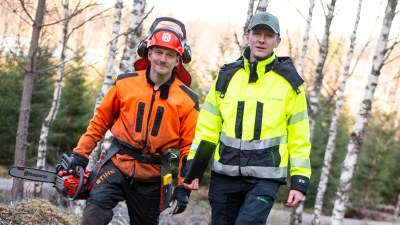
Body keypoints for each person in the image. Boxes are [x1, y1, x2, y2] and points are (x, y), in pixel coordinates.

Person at [66, 17, 199, 225]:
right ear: (148, 52)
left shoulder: (187, 100)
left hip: (153, 175)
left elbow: (188, 147)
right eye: (158, 52)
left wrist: (183, 185)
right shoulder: (125, 84)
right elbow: (100, 121)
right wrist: (80, 154)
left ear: (178, 60)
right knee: (94, 213)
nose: (163, 59)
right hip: (117, 163)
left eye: (170, 54)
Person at [183, 11, 311, 225]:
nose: (262, 40)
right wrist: (193, 168)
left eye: (268, 35)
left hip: (265, 179)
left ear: (277, 41)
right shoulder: (226, 77)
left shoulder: (289, 84)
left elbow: (299, 136)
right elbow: (208, 128)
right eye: (257, 33)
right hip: (224, 175)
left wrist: (299, 180)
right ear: (247, 36)